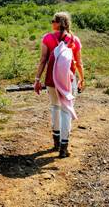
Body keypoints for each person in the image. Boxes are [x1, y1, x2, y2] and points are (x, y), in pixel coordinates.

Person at [34, 12, 84, 158]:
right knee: (66, 110)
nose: (51, 23)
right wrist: (81, 78)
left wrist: (37, 79)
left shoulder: (47, 38)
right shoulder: (75, 40)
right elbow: (79, 63)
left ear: (57, 23)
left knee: (55, 107)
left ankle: (55, 142)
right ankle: (63, 147)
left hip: (51, 79)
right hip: (69, 80)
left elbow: (43, 60)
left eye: (52, 21)